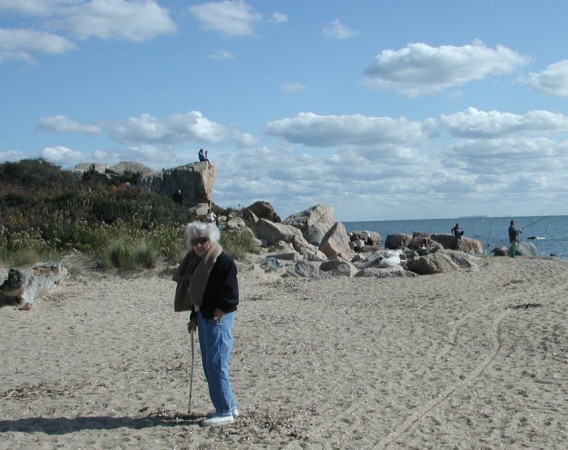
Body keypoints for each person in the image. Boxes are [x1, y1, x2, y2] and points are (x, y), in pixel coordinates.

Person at [172, 222, 239, 426]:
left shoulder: (223, 261)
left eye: (203, 240)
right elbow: (197, 294)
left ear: (212, 239)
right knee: (209, 364)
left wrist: (217, 316)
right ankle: (230, 406)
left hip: (217, 318)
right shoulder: (195, 261)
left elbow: (231, 297)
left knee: (216, 364)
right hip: (204, 316)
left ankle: (224, 411)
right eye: (195, 241)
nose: (199, 245)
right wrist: (194, 317)